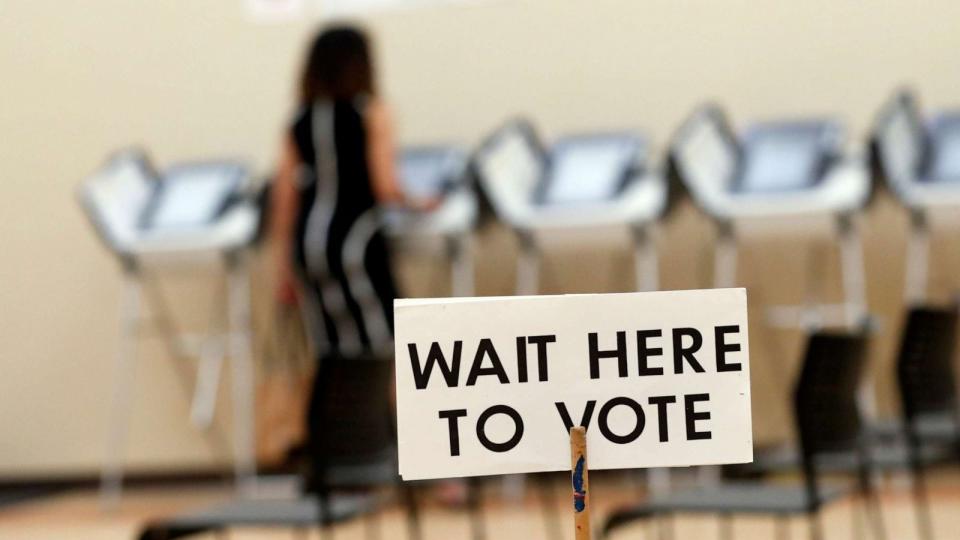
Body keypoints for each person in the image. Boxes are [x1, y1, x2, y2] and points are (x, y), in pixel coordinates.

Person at [270, 25, 431, 355]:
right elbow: (385, 187)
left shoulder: (298, 118)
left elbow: (284, 198)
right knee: (389, 345)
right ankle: (387, 409)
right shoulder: (372, 112)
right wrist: (420, 203)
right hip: (358, 239)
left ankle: (346, 408)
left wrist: (284, 266)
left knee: (332, 350)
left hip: (309, 246)